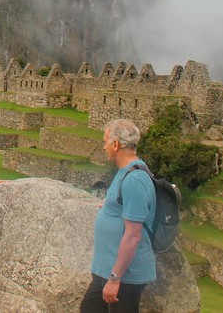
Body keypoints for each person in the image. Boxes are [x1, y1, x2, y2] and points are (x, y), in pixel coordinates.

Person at [81, 119, 156, 313]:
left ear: (115, 145)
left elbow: (133, 235)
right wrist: (109, 205)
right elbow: (124, 203)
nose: (103, 146)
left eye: (105, 141)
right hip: (107, 270)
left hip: (124, 276)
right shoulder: (127, 172)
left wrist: (115, 278)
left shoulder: (135, 179)